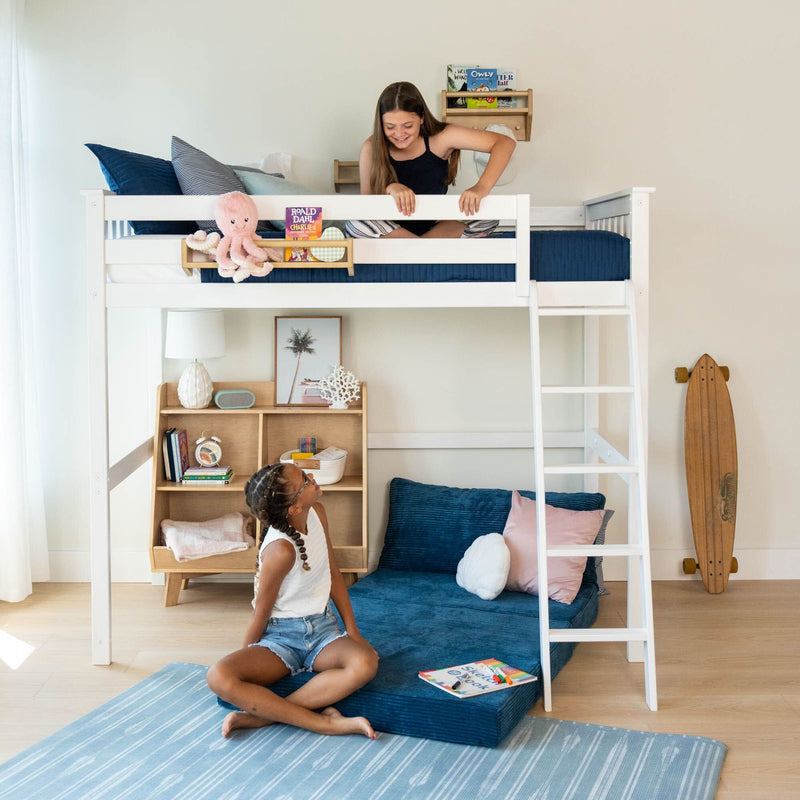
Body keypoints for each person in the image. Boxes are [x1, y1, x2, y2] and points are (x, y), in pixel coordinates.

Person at [206, 462, 379, 738]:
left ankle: (263, 717)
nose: (312, 478)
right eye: (305, 480)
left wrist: (354, 633)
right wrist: (246, 654)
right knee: (217, 676)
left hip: (323, 630)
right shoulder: (281, 551)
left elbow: (333, 574)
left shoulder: (318, 513)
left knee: (366, 663)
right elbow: (260, 614)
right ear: (294, 509)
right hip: (279, 638)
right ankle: (324, 723)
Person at [345, 81, 516, 240]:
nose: (399, 134)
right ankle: (426, 248)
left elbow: (504, 143)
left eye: (407, 126)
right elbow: (366, 206)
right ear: (381, 124)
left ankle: (417, 247)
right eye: (390, 127)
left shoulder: (441, 138)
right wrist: (391, 187)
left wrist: (481, 187)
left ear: (421, 118)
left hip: (434, 227)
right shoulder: (370, 147)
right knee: (356, 224)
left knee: (489, 216)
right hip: (391, 229)